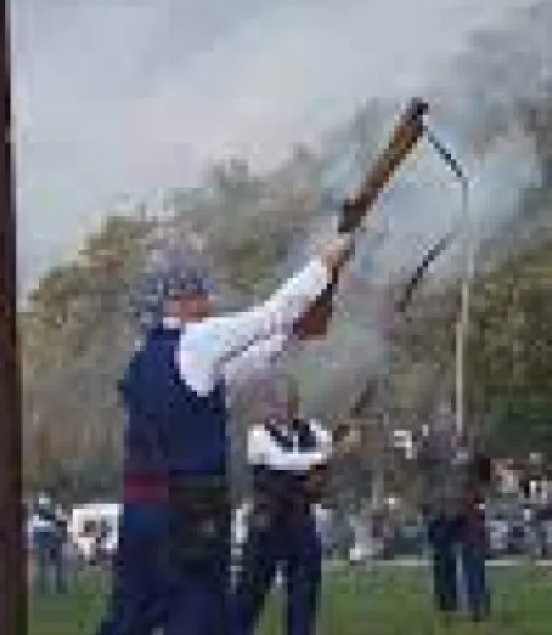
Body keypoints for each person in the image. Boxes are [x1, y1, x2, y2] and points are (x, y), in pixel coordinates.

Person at [93, 229, 355, 635]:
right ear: (178, 301)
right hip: (190, 513)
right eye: (199, 294)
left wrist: (295, 332)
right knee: (198, 617)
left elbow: (250, 359)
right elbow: (273, 313)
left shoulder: (145, 356)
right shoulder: (198, 340)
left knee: (128, 619)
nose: (208, 301)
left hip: (141, 513)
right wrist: (326, 263)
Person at [233, 378, 340, 635]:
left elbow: (328, 444)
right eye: (280, 404)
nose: (285, 410)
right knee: (249, 596)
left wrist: (338, 444)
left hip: (300, 520)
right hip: (266, 524)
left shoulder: (310, 429)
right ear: (268, 406)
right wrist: (330, 453)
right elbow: (283, 461)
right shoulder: (257, 435)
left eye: (291, 403)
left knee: (304, 594)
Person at [417, 408, 493, 623]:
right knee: (443, 562)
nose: (445, 421)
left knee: (473, 559)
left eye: (448, 416)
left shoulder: (472, 443)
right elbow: (420, 467)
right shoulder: (429, 443)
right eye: (441, 417)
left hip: (468, 508)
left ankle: (478, 607)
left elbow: (486, 470)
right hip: (440, 509)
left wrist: (479, 494)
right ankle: (448, 608)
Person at [29, 494, 69, 594]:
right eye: (43, 505)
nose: (44, 507)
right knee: (45, 564)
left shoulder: (51, 514)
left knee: (52, 564)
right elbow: (36, 531)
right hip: (48, 538)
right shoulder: (39, 516)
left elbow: (62, 523)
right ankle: (47, 586)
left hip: (52, 538)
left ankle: (55, 585)